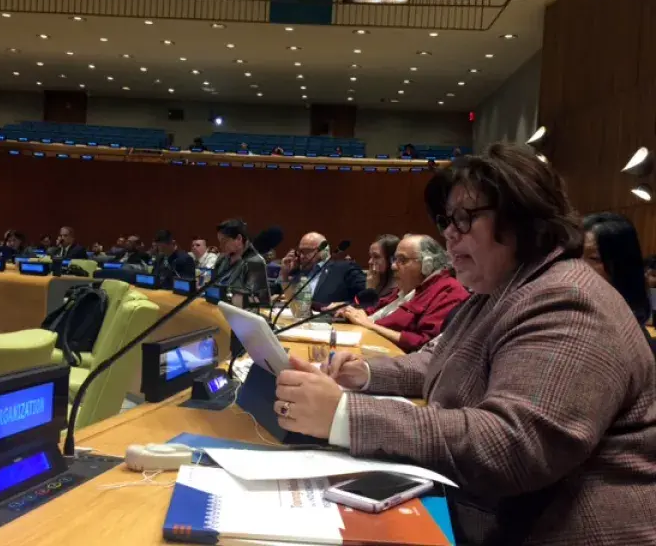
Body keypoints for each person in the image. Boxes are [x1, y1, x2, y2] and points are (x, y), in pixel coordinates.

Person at [273, 144, 656, 545]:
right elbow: (436, 360)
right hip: (489, 515)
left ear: (522, 217)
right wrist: (362, 374)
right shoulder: (503, 289)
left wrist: (345, 415)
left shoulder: (569, 300)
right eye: (447, 220)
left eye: (464, 218)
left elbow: (512, 444)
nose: (449, 234)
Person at [342, 234, 470, 351]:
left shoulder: (448, 291)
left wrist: (369, 325)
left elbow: (425, 344)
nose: (393, 266)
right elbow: (376, 309)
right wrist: (351, 312)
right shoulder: (408, 288)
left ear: (427, 264)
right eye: (394, 259)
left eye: (402, 260)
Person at [582, 212, 656, 354]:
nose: (576, 265)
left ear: (624, 267)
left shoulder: (633, 341)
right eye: (574, 255)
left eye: (594, 258)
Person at [278, 232, 366, 307]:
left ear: (324, 251)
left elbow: (367, 297)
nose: (301, 256)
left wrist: (343, 305)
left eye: (307, 251)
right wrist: (285, 274)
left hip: (330, 319)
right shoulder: (298, 271)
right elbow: (288, 301)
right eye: (300, 251)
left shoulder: (344, 269)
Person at [212, 219, 269, 303]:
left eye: (224, 241)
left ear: (239, 239)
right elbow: (213, 286)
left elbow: (259, 300)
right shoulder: (222, 259)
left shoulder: (255, 262)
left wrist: (229, 297)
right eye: (219, 242)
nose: (220, 246)